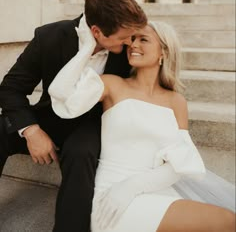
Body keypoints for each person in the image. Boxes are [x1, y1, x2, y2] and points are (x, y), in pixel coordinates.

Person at [49, 20, 235, 232]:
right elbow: (60, 94)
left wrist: (132, 187)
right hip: (112, 196)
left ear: (163, 52)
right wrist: (87, 49)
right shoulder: (112, 84)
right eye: (133, 39)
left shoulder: (176, 101)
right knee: (226, 221)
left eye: (143, 39)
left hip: (153, 190)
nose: (133, 45)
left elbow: (180, 165)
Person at [0, 0, 147, 232]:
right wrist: (32, 131)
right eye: (124, 38)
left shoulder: (128, 51)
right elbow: (10, 88)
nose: (130, 43)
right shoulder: (49, 37)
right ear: (97, 31)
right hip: (48, 117)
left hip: (91, 124)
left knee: (82, 153)